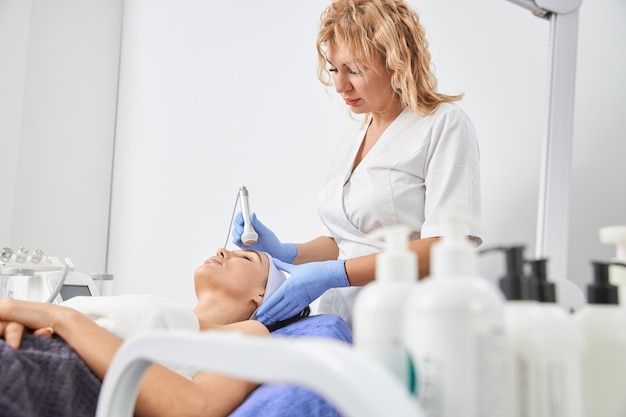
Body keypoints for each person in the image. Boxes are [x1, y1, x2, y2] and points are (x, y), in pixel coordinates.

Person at [233, 0, 482, 326]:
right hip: (340, 322)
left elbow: (446, 248)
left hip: (408, 322)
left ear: (397, 61)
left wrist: (337, 274)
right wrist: (287, 252)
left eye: (354, 70)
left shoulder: (443, 124)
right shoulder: (352, 138)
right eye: (335, 69)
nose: (339, 85)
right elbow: (345, 241)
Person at [0, 248, 297, 417]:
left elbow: (196, 407)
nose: (223, 250)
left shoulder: (252, 333)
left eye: (246, 258)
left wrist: (61, 316)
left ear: (262, 296)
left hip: (53, 375)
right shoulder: (169, 313)